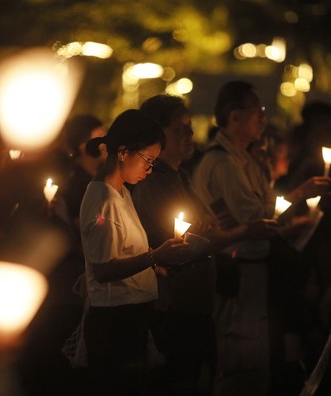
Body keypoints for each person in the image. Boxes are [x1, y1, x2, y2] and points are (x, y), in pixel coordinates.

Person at [132, 94, 279, 395]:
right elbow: (186, 242)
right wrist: (246, 230)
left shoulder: (180, 177)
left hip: (195, 302)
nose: (190, 135)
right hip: (174, 305)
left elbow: (206, 230)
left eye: (189, 127)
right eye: (180, 129)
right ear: (155, 135)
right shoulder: (156, 183)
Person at [192, 81, 330, 396]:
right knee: (240, 359)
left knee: (255, 359)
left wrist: (287, 220)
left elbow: (268, 209)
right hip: (236, 270)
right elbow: (253, 216)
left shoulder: (244, 160)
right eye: (257, 111)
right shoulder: (222, 163)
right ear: (235, 116)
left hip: (254, 269)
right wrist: (299, 193)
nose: (262, 118)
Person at [78, 109, 193, 396]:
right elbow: (103, 269)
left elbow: (122, 254)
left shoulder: (121, 192)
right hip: (115, 324)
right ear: (123, 152)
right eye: (148, 160)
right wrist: (156, 256)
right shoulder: (104, 199)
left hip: (130, 317)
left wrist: (155, 267)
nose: (150, 169)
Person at [61, 114, 107, 229]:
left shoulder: (108, 171)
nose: (107, 143)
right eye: (100, 139)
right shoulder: (73, 183)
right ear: (83, 146)